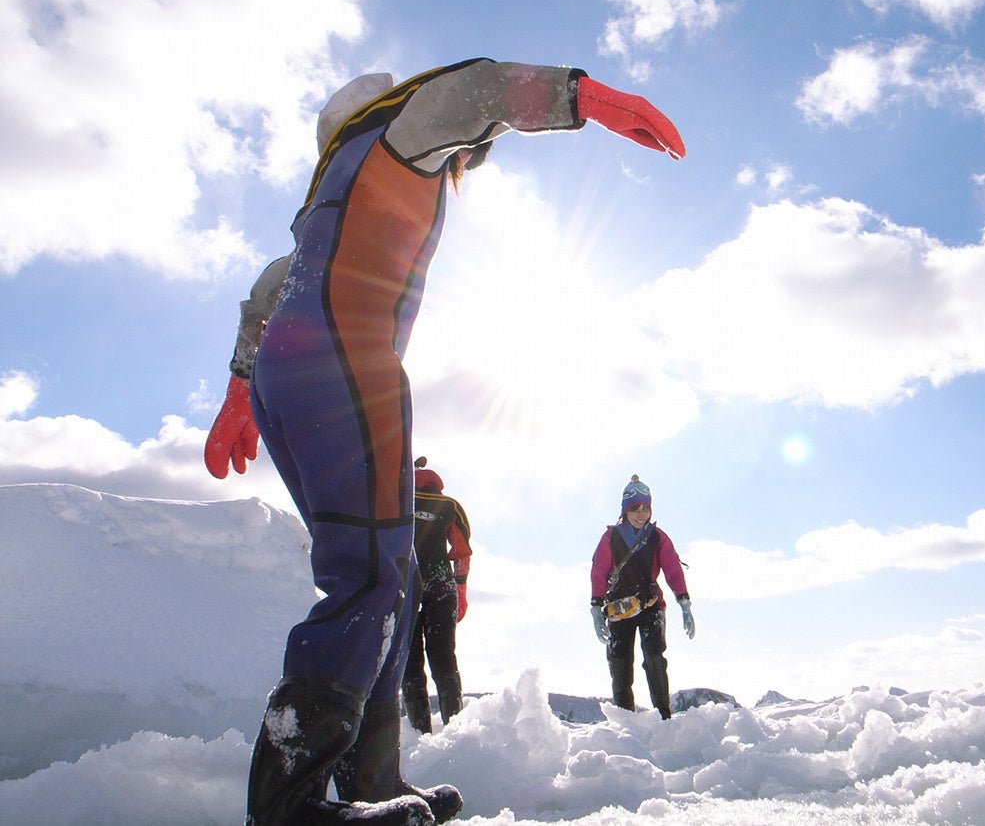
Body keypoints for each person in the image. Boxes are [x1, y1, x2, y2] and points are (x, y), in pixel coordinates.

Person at [203, 59, 684, 826]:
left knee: (382, 575)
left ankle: (371, 783)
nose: (460, 163)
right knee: (368, 578)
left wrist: (239, 388)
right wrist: (581, 99)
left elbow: (268, 289)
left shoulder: (332, 197)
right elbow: (471, 93)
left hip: (292, 373)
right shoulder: (391, 130)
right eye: (462, 156)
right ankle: (288, 806)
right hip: (345, 362)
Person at [589, 475, 695, 720]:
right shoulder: (610, 538)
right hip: (619, 608)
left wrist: (684, 601)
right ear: (625, 510)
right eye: (635, 508)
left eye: (645, 508)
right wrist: (596, 608)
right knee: (620, 663)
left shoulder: (657, 537)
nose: (641, 513)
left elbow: (672, 569)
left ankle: (663, 718)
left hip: (650, 606)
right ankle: (626, 723)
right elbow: (599, 572)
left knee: (655, 657)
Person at [403, 457, 472, 734]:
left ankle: (419, 733)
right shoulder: (449, 505)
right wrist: (461, 591)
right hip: (441, 584)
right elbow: (462, 552)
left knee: (409, 661)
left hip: (406, 583)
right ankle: (454, 730)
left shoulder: (399, 498)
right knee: (444, 657)